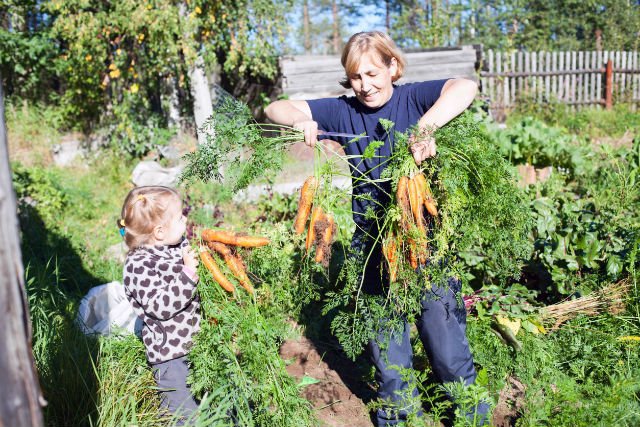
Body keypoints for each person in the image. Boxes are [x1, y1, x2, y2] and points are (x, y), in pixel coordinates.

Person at [265, 31, 489, 426]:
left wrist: (427, 126)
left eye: (372, 73)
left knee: (450, 355)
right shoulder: (342, 111)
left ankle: (471, 417)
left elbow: (465, 86)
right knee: (390, 366)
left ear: (393, 67)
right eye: (355, 77)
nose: (365, 85)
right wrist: (303, 120)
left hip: (425, 247)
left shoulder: (414, 99)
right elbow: (274, 108)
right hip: (371, 250)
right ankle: (400, 419)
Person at [119, 185, 201, 424]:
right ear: (159, 232)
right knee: (185, 415)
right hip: (172, 358)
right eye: (179, 217)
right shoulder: (138, 265)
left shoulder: (177, 245)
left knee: (219, 406)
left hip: (198, 347)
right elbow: (160, 306)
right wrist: (188, 275)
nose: (184, 218)